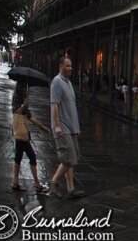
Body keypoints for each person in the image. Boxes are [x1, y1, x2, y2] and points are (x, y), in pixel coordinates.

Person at [51, 50, 85, 198]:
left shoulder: (69, 83)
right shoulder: (57, 81)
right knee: (69, 158)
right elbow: (54, 105)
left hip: (71, 128)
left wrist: (76, 128)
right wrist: (57, 126)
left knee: (72, 158)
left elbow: (71, 106)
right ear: (60, 66)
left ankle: (71, 189)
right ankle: (53, 182)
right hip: (63, 127)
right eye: (67, 66)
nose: (70, 68)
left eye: (71, 66)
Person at [12, 82, 50, 193]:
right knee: (32, 157)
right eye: (25, 87)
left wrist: (44, 128)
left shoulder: (23, 99)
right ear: (21, 87)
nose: (27, 90)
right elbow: (15, 111)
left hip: (21, 134)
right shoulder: (16, 98)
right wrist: (24, 104)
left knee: (18, 157)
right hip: (21, 134)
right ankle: (38, 185)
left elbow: (31, 117)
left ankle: (15, 183)